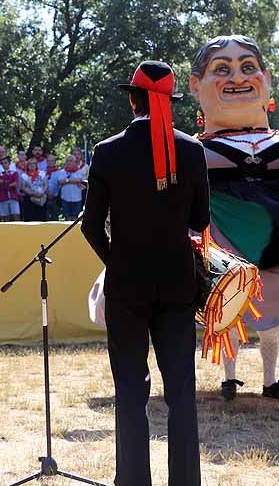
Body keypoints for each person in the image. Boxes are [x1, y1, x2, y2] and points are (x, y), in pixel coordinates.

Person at [82, 60, 210, 486]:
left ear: (132, 100)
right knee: (181, 393)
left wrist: (115, 260)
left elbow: (90, 225)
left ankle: (133, 481)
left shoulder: (107, 151)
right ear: (167, 104)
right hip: (177, 283)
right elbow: (201, 218)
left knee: (130, 393)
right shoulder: (191, 150)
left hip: (127, 285)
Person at [189, 35, 279, 401]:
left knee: (270, 320)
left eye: (248, 67)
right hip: (218, 239)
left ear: (267, 79)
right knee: (227, 310)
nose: (237, 77)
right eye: (222, 69)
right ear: (196, 85)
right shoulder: (191, 149)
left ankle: (270, 379)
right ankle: (230, 376)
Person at [58, 155, 86, 221]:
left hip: (77, 199)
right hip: (65, 198)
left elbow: (81, 182)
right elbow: (60, 181)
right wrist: (73, 180)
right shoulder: (62, 172)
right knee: (67, 218)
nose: (69, 162)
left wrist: (67, 180)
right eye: (67, 161)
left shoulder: (80, 172)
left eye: (71, 161)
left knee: (76, 219)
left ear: (75, 162)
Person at [0, 157, 21, 222]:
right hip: (3, 197)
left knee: (16, 215)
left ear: (9, 163)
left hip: (13, 197)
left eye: (6, 163)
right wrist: (9, 183)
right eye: (2, 163)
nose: (4, 164)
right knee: (5, 217)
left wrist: (4, 182)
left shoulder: (14, 173)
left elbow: (15, 183)